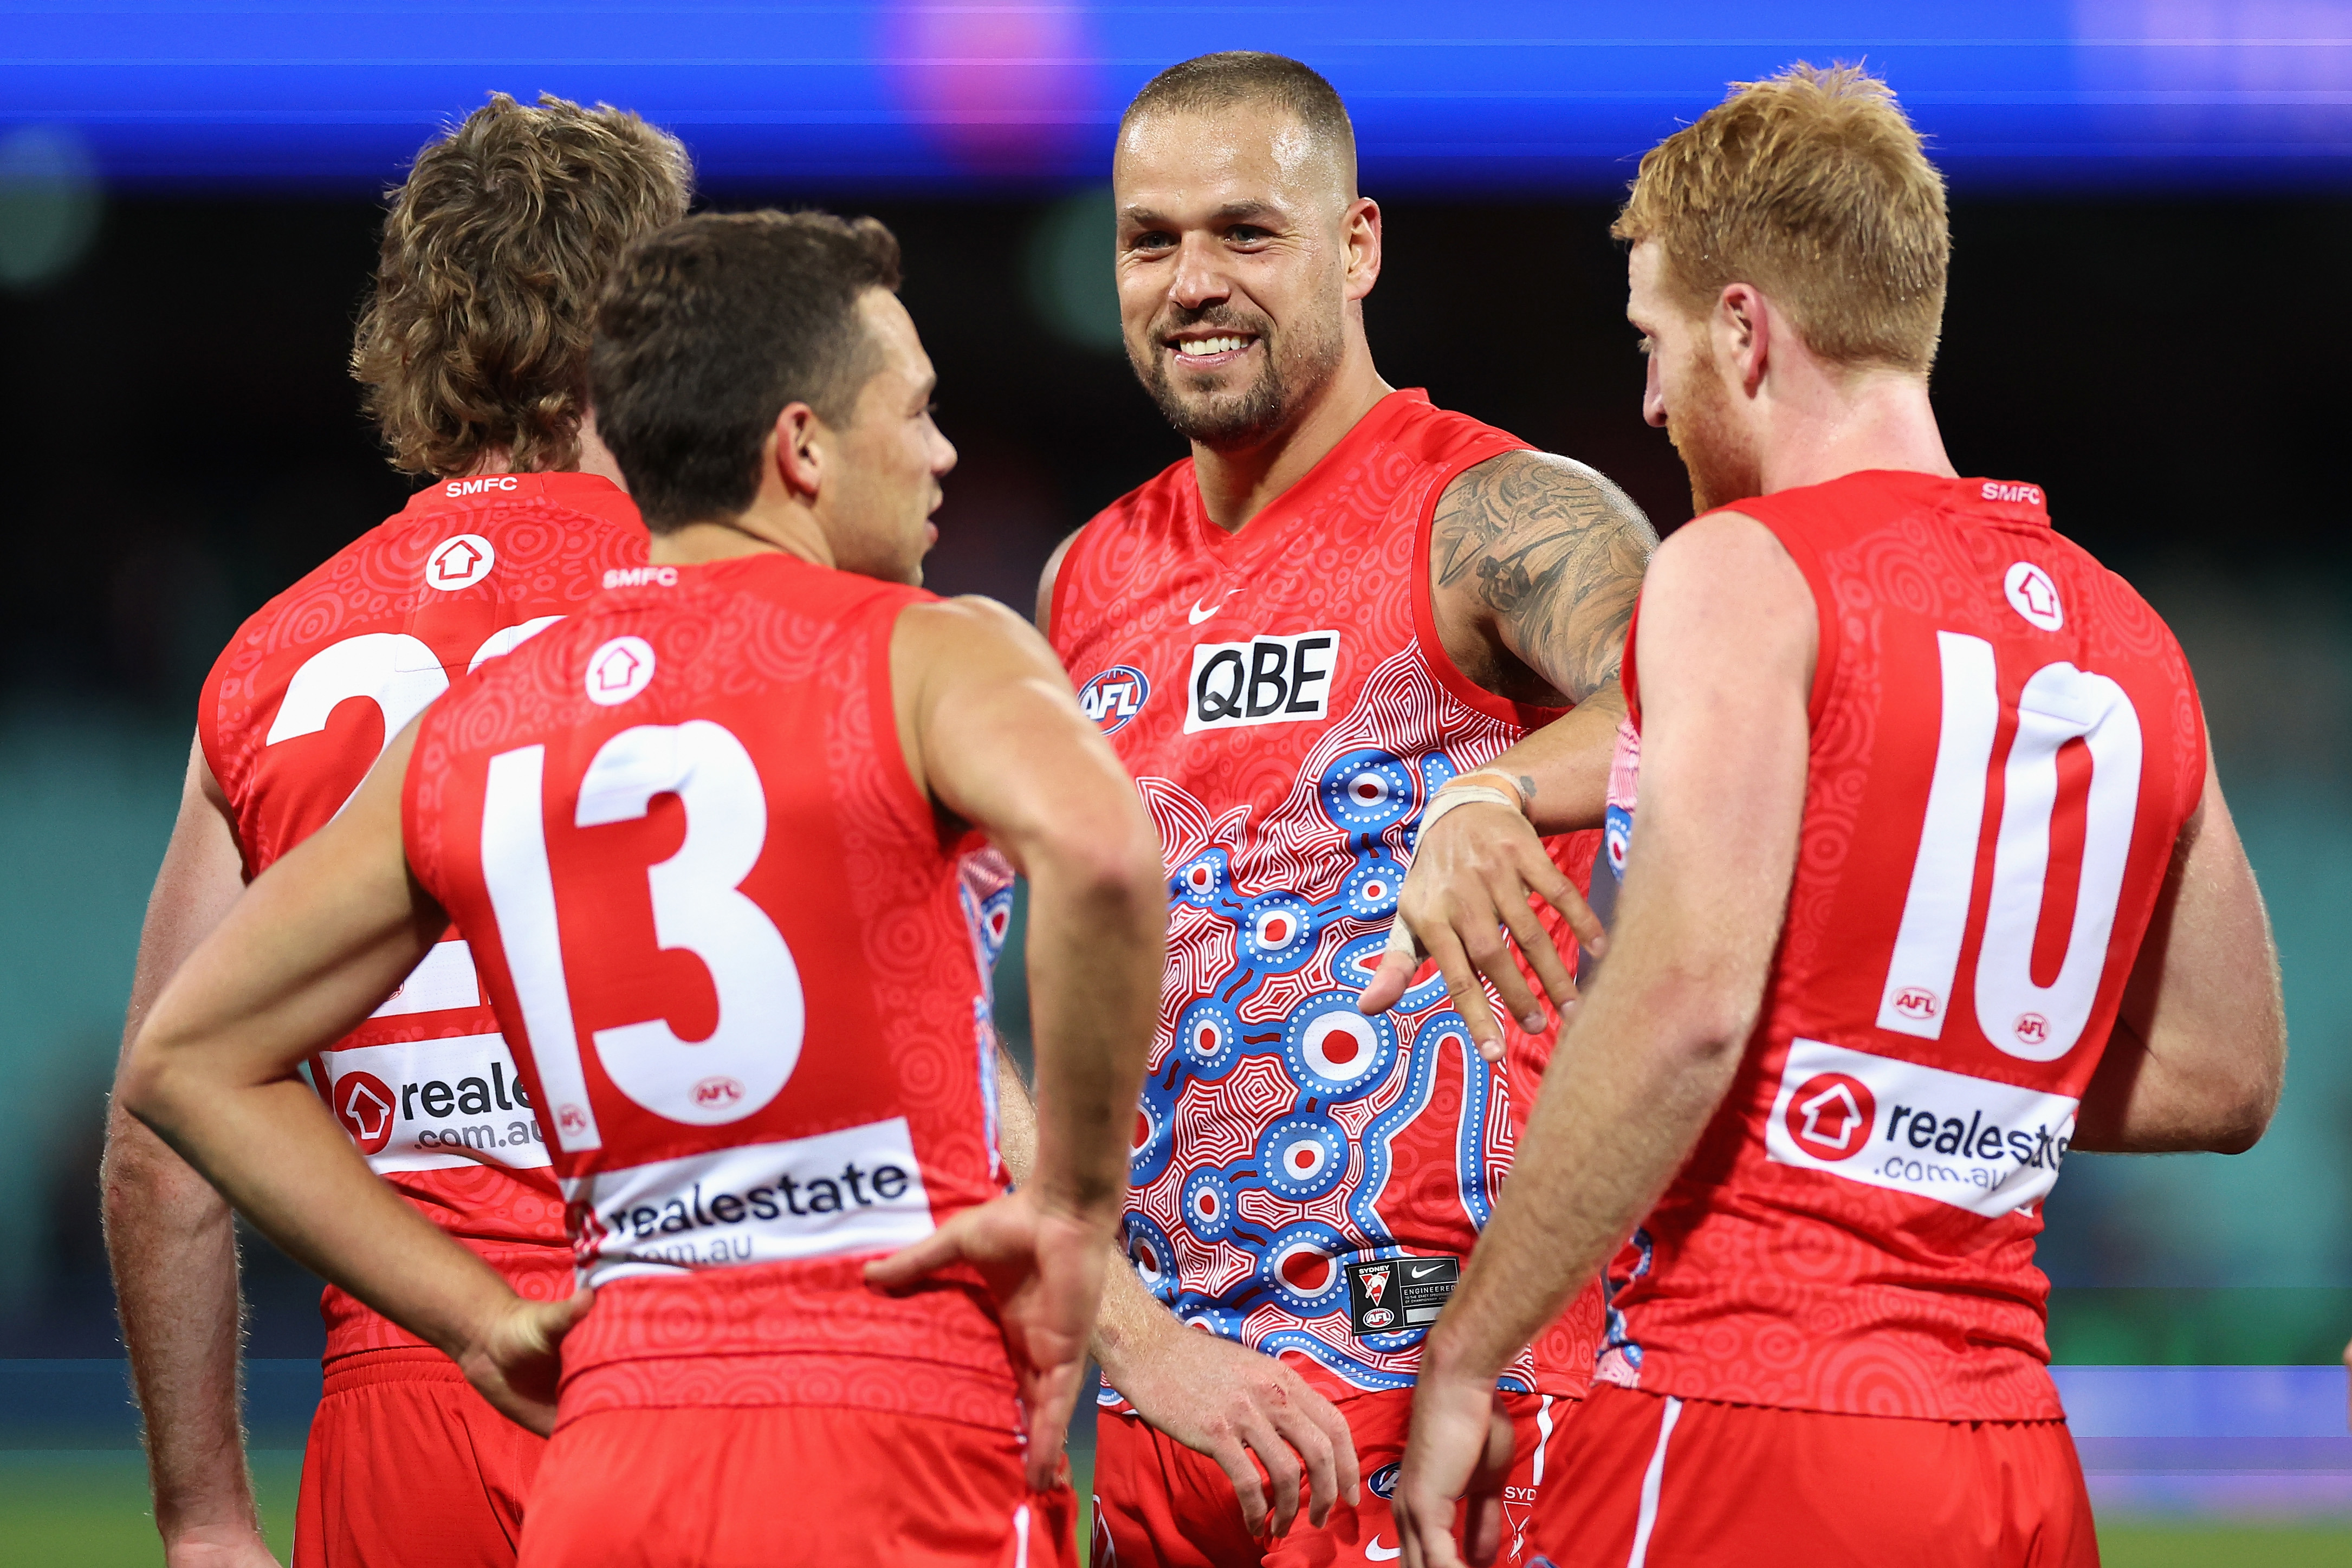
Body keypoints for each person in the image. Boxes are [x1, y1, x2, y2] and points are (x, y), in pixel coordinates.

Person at [120, 208, 1165, 1568]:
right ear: (799, 447)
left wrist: (475, 1315)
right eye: (912, 411)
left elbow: (181, 1063)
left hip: (612, 1436)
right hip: (886, 1410)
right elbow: (1099, 855)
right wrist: (1077, 1210)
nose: (941, 451)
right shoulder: (926, 650)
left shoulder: (482, 726)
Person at [1393, 64, 2286, 1568]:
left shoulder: (1743, 571)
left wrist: (1467, 1354)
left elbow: (1684, 1004)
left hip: (1748, 1415)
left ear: (1740, 330)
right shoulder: (2123, 632)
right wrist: (1906, 1070)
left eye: (1652, 343)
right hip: (2011, 1451)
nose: (1645, 398)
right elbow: (2223, 1066)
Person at [1031, 52, 1656, 1568]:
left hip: (1450, 1397)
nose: (1190, 281)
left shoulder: (1495, 512)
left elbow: (1709, 711)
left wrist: (1496, 786)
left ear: (1355, 243)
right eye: (1148, 239)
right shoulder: (1080, 583)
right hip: (1179, 1413)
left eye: (1245, 232)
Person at [99, 94, 690, 1568]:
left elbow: (156, 1148)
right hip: (689, 1373)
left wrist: (207, 1514)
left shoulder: (268, 657)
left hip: (403, 1399)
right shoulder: (732, 605)